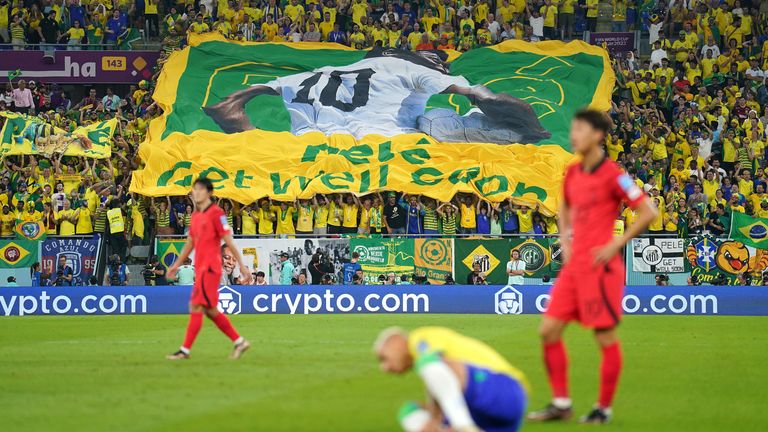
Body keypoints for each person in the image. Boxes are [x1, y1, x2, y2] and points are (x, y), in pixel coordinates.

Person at [527, 110, 656, 424]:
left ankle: (603, 408)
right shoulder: (573, 173)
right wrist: (566, 240)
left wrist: (616, 244)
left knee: (604, 338)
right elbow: (564, 206)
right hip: (574, 267)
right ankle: (561, 403)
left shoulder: (615, 174)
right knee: (548, 330)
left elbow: (648, 211)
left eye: (580, 129)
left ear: (598, 135)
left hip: (601, 268)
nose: (573, 135)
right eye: (573, 128)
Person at [204, 48, 550, 144]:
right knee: (434, 118)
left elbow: (233, 103)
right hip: (392, 139)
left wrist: (245, 130)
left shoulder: (318, 73)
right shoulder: (413, 68)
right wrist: (521, 121)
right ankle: (516, 136)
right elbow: (477, 93)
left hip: (317, 142)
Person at [375, 326, 529, 432]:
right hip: (486, 414)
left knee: (433, 364)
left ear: (395, 344)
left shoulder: (418, 338)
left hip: (506, 389)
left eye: (383, 358)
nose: (384, 367)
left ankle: (463, 426)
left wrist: (438, 417)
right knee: (409, 411)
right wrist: (435, 420)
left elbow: (436, 365)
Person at [165, 177, 252, 361]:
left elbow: (229, 241)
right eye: (194, 189)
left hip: (211, 269)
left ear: (209, 193)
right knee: (210, 310)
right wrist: (175, 265)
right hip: (201, 268)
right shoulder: (196, 216)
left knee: (196, 306)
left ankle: (185, 350)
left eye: (199, 189)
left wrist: (243, 266)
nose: (195, 192)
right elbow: (190, 243)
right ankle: (239, 341)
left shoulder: (217, 214)